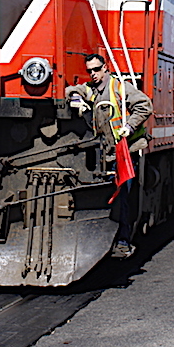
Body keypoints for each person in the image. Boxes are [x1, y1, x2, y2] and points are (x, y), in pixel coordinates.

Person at [65, 53, 153, 257]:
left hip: (126, 151)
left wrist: (130, 127)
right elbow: (72, 89)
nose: (93, 74)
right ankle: (110, 238)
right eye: (89, 71)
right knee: (112, 197)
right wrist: (75, 97)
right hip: (108, 152)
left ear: (105, 67)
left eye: (97, 69)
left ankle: (123, 241)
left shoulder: (119, 87)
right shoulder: (92, 89)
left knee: (124, 197)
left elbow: (145, 105)